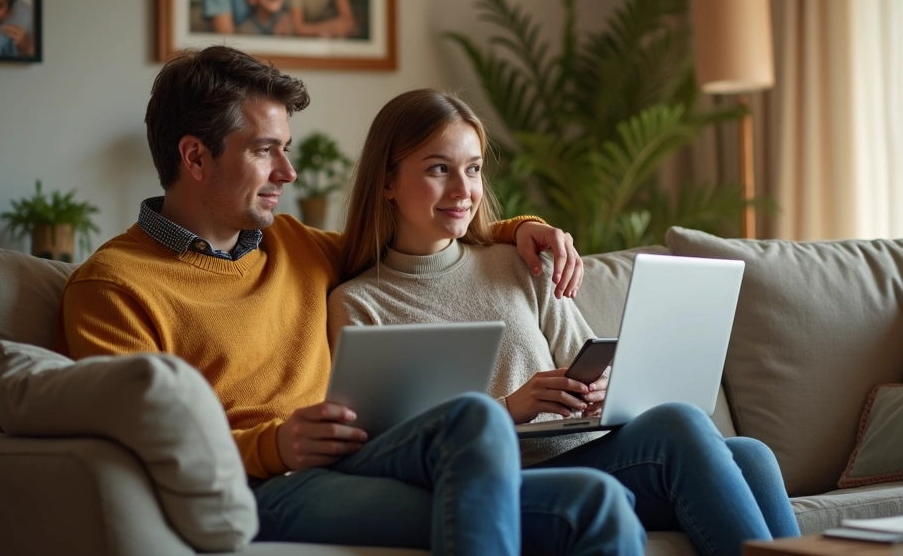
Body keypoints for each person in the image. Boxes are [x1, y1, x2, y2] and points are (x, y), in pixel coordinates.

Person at [54, 45, 644, 554]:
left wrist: (522, 229)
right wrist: (271, 445)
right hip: (258, 487)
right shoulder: (114, 287)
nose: (288, 171)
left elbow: (419, 234)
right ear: (195, 157)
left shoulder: (296, 247)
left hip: (353, 460)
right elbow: (143, 443)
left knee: (587, 494)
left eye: (286, 148)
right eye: (264, 151)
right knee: (495, 433)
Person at [328, 89, 803, 556]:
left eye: (473, 169)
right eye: (438, 169)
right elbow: (392, 446)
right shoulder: (360, 303)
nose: (463, 190)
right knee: (679, 424)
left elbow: (591, 359)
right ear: (387, 182)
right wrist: (512, 407)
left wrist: (604, 390)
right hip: (509, 480)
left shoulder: (518, 263)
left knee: (753, 456)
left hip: (592, 452)